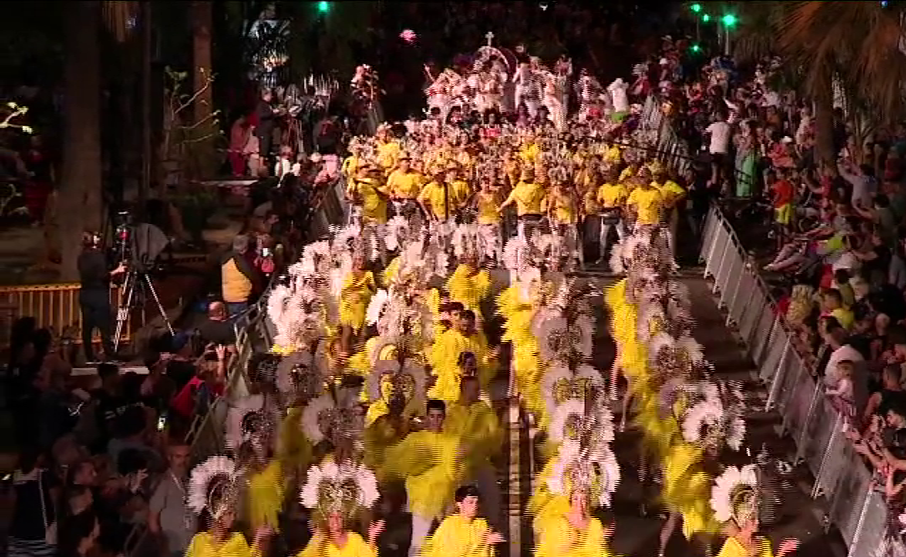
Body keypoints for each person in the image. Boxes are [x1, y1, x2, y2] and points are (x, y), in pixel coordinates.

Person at [384, 399, 463, 557]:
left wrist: (454, 500)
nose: (435, 420)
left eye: (439, 416)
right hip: (423, 500)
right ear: (426, 417)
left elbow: (457, 472)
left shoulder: (453, 440)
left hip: (446, 499)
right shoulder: (415, 439)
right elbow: (398, 463)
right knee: (418, 544)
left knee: (449, 543)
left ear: (444, 417)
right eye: (432, 416)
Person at [78, 231, 126, 362]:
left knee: (87, 327)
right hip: (98, 294)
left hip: (84, 294)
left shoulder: (81, 257)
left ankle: (89, 356)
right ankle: (109, 355)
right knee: (104, 326)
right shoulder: (98, 256)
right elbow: (102, 275)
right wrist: (117, 271)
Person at [420, 485, 504, 557]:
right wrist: (482, 541)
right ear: (459, 504)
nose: (475, 506)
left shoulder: (481, 523)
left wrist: (490, 543)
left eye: (477, 502)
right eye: (470, 502)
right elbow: (453, 553)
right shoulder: (449, 524)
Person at [149, 443, 193, 557]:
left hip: (190, 544)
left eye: (186, 456)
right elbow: (152, 517)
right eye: (178, 456)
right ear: (170, 458)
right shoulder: (164, 482)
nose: (183, 461)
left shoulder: (189, 481)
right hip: (173, 548)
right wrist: (162, 546)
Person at [221, 235, 259, 316]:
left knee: (233, 319)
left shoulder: (226, 257)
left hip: (228, 295)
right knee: (242, 322)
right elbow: (253, 276)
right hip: (240, 297)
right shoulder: (240, 261)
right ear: (244, 249)